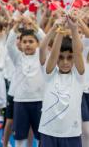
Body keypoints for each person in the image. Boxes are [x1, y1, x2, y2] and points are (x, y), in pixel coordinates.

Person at [39, 15, 85, 147]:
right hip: (48, 131)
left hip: (71, 134)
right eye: (61, 57)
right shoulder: (50, 75)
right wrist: (58, 30)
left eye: (69, 58)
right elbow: (46, 50)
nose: (65, 62)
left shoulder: (78, 76)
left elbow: (77, 51)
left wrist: (74, 29)